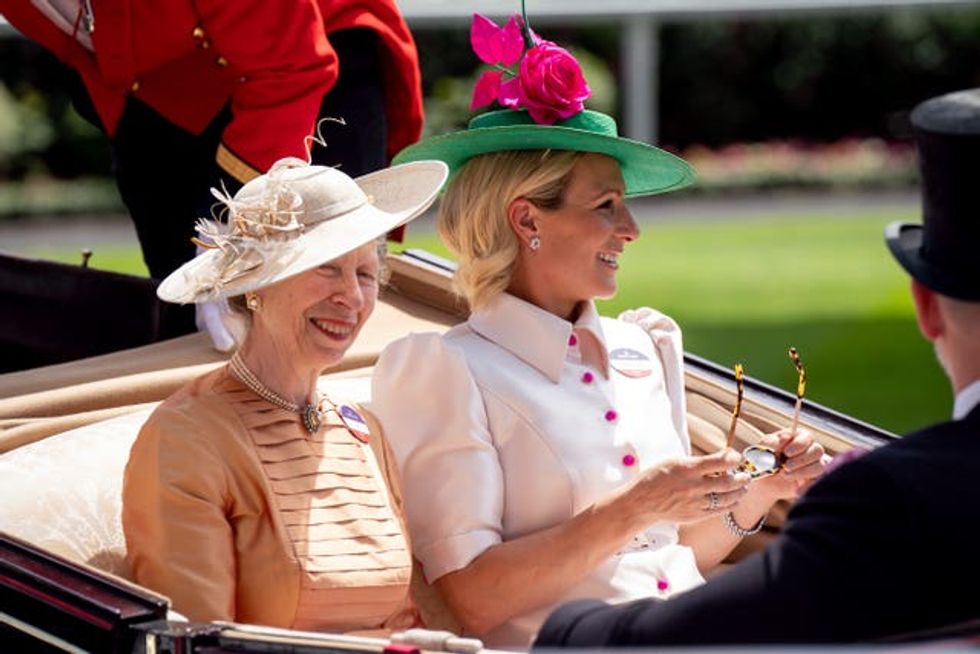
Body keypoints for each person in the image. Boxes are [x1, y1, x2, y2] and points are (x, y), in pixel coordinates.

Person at [368, 9, 826, 649]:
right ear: (526, 219)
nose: (631, 229)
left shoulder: (643, 346)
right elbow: (469, 599)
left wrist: (758, 494)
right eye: (605, 206)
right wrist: (633, 507)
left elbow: (674, 559)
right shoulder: (446, 371)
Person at [533, 88, 980, 647]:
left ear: (926, 306)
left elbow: (705, 630)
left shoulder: (893, 498)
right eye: (606, 205)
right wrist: (752, 499)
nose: (631, 228)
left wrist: (568, 633)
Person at [122, 156, 448, 630]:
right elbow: (196, 641)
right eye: (327, 269)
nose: (353, 298)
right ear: (256, 286)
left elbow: (403, 622)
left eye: (364, 273)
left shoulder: (363, 430)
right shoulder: (185, 439)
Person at [0, 1, 424, 293]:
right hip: (155, 88)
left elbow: (293, 67)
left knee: (325, 291)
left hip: (309, 55)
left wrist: (233, 230)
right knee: (189, 319)